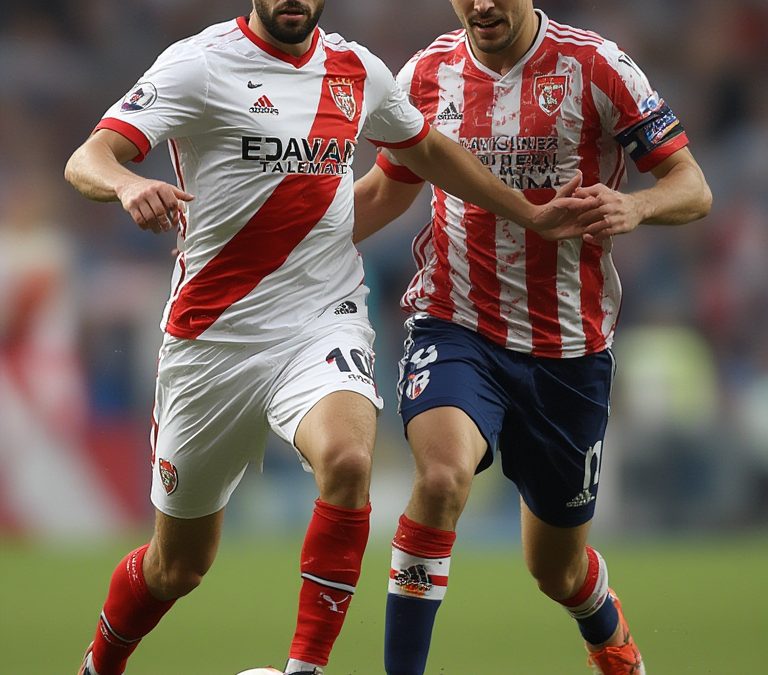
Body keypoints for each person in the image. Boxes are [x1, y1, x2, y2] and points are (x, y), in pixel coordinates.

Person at [64, 2, 600, 674]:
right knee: (178, 566)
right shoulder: (198, 65)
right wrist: (125, 183)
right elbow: (89, 156)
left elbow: (426, 151)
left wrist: (530, 213)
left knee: (348, 461)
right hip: (213, 339)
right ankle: (99, 664)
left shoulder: (356, 70)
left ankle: (304, 668)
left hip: (323, 317)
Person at [352, 1, 712, 673]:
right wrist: (280, 258)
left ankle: (607, 633)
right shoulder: (426, 75)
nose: (481, 4)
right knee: (440, 476)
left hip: (567, 350)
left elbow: (692, 185)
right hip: (455, 322)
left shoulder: (597, 66)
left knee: (556, 567)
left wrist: (635, 205)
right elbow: (384, 190)